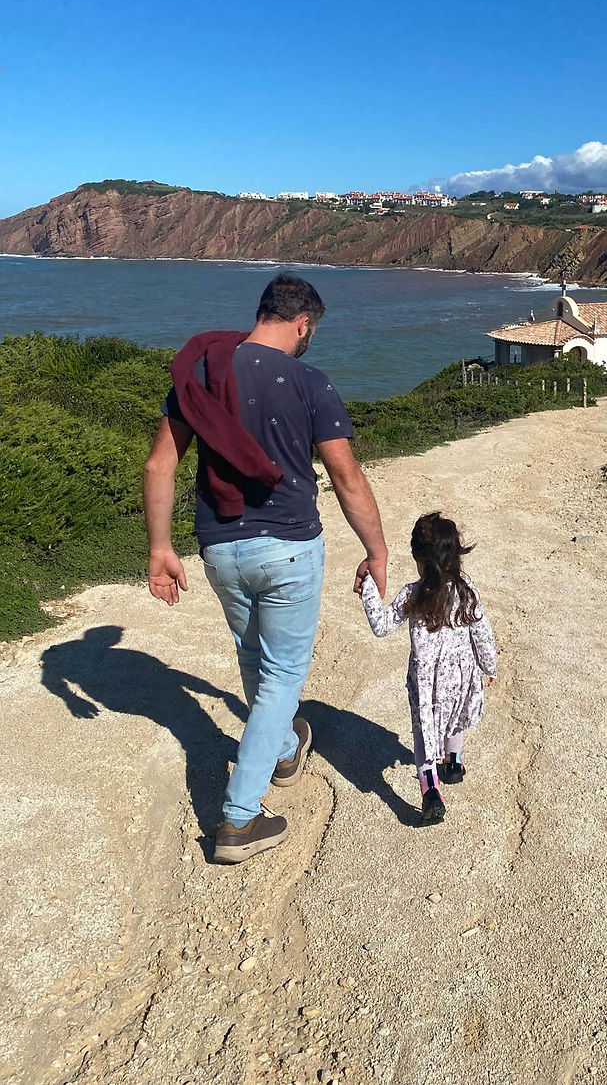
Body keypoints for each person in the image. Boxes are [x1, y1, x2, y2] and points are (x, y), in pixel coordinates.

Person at [143, 273, 388, 864]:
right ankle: (237, 819)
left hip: (220, 548)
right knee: (281, 676)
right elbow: (346, 477)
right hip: (289, 549)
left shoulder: (203, 372)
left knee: (254, 658)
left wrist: (159, 548)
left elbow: (159, 465)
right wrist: (377, 550)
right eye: (313, 331)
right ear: (302, 323)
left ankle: (281, 747)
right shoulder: (309, 381)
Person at [360, 512, 497, 826]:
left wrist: (368, 587)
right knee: (456, 718)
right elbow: (483, 634)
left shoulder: (413, 594)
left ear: (417, 558)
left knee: (426, 733)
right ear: (455, 555)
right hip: (462, 678)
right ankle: (454, 762)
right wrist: (488, 667)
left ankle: (431, 789)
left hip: (426, 684)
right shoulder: (466, 591)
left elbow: (381, 627)